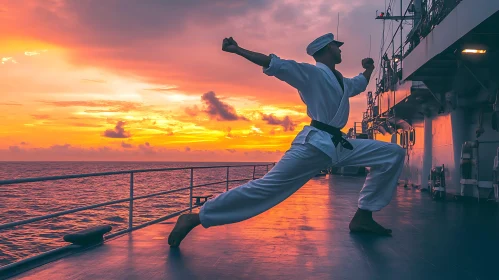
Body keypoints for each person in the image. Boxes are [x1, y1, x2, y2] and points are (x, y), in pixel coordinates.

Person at [168, 33, 406, 247]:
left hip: (338, 145)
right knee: (267, 189)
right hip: (314, 144)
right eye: (337, 45)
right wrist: (238, 50)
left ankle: (364, 215)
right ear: (325, 50)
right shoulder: (311, 73)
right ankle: (196, 217)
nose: (341, 49)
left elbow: (360, 83)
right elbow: (275, 64)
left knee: (392, 153)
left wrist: (369, 68)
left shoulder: (342, 81)